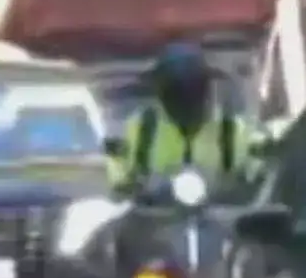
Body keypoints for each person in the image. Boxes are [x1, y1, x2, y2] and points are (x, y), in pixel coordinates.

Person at [109, 41, 256, 194]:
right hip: (157, 209)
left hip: (220, 208)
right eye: (175, 91)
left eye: (193, 89)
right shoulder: (142, 129)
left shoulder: (230, 129)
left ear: (206, 89)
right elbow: (119, 179)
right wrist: (126, 185)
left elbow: (254, 177)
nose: (186, 97)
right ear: (161, 93)